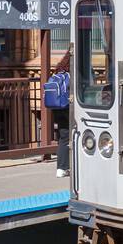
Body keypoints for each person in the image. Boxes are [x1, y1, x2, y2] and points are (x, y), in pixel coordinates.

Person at [49, 47, 73, 177]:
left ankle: (61, 168)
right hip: (69, 107)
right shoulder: (75, 70)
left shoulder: (60, 69)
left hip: (57, 107)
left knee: (63, 137)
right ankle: (71, 166)